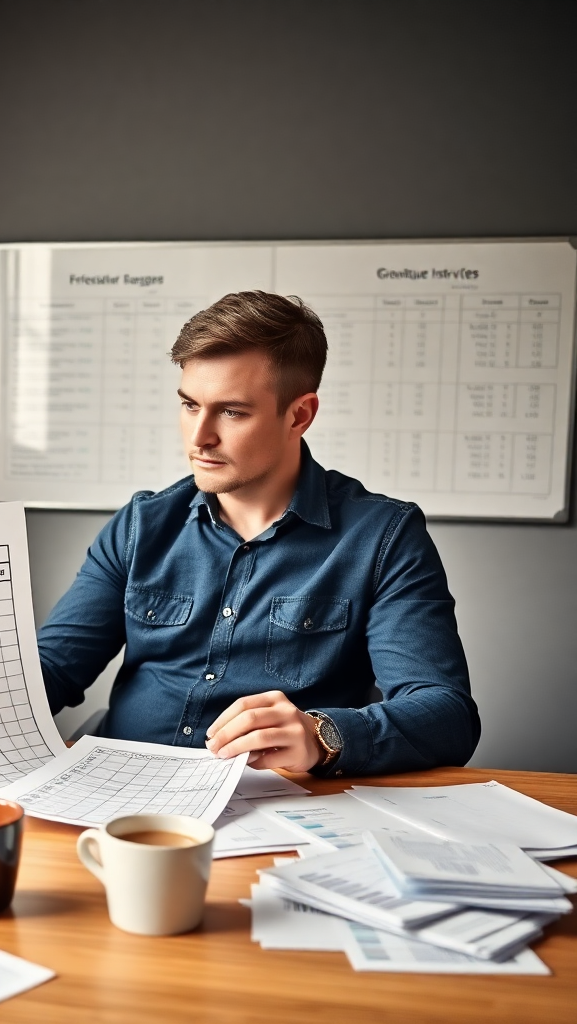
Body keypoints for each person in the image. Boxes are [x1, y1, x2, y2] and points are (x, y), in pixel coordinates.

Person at [37, 290, 480, 776]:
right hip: (115, 786)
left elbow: (446, 713)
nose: (199, 436)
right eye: (189, 405)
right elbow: (53, 669)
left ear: (299, 415)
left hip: (271, 803)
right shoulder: (141, 524)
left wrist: (323, 736)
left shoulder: (384, 537)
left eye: (231, 412)